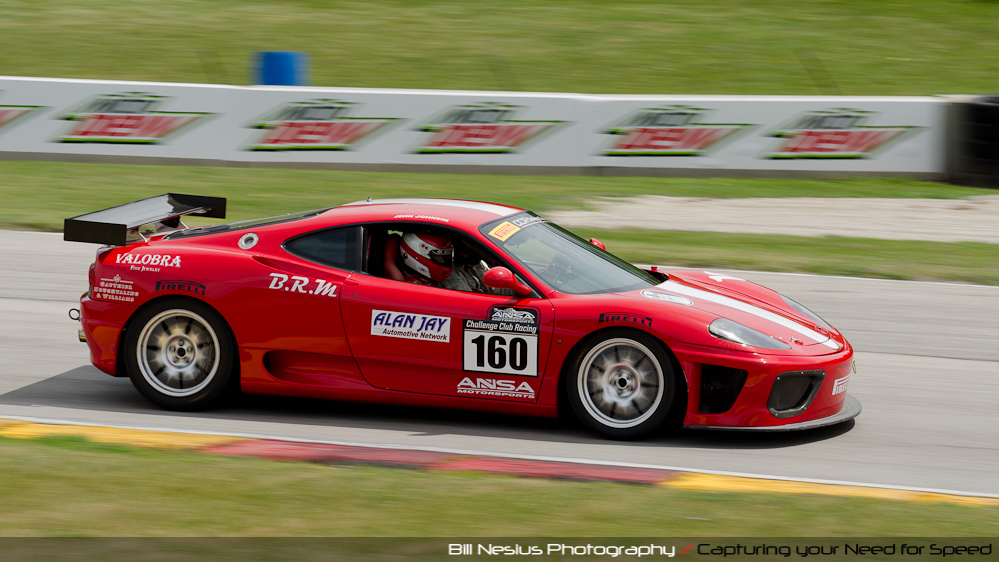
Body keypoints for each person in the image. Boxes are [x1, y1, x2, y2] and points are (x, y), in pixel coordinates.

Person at [383, 232, 454, 286]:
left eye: (446, 256)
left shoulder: (430, 282)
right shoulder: (412, 287)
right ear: (416, 254)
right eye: (438, 256)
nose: (444, 261)